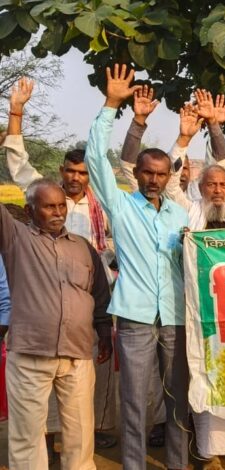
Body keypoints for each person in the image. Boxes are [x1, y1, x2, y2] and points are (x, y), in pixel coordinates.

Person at [1, 77, 119, 452]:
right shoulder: (43, 197)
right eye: (70, 171)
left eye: (82, 173)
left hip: (88, 309)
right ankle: (47, 442)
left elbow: (109, 254)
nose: (74, 178)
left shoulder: (103, 208)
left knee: (85, 393)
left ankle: (90, 436)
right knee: (36, 407)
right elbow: (18, 162)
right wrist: (16, 112)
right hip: (40, 313)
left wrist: (102, 317)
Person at [84, 64, 190, 470]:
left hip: (175, 317)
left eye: (161, 174)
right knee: (133, 400)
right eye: (147, 172)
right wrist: (112, 104)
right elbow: (95, 158)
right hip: (134, 317)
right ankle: (134, 465)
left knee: (178, 398)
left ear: (168, 176)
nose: (154, 179)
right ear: (137, 172)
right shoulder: (121, 205)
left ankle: (178, 463)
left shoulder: (180, 215)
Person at [0, 178, 112, 469]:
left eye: (62, 206)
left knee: (81, 434)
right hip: (31, 354)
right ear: (30, 210)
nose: (58, 212)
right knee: (27, 435)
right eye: (49, 207)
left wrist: (104, 332)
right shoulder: (16, 239)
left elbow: (99, 293)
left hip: (77, 354)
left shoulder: (82, 247)